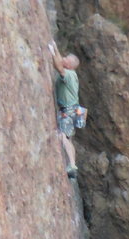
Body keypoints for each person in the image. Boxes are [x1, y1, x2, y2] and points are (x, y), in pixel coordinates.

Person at [48, 40, 82, 179]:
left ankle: (72, 165)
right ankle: (73, 163)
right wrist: (55, 49)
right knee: (69, 137)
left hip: (68, 110)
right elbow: (60, 60)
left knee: (63, 135)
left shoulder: (68, 74)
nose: (63, 59)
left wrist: (54, 52)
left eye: (66, 59)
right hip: (74, 110)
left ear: (69, 65)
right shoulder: (71, 73)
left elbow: (58, 66)